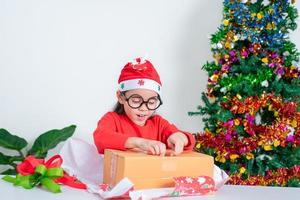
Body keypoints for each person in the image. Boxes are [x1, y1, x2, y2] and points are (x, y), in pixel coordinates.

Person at [93, 57, 195, 156]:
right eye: (136, 101)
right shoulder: (112, 119)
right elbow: (100, 137)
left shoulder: (159, 124)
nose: (144, 108)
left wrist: (180, 138)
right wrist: (140, 143)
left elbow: (188, 139)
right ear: (121, 97)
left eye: (151, 102)